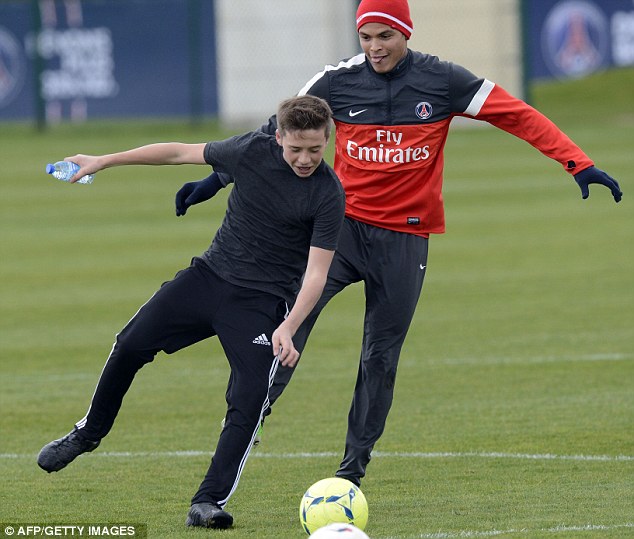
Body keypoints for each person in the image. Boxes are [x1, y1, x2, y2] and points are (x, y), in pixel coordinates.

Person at [174, 0, 623, 488]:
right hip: (339, 231)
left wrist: (577, 163)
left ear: (405, 33)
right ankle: (248, 424)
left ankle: (351, 472)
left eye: (384, 37)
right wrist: (215, 180)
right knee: (286, 328)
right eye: (365, 37)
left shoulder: (444, 81)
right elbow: (272, 137)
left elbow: (517, 115)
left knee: (380, 357)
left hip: (405, 238)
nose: (374, 48)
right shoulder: (334, 82)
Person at [37, 95, 346, 529]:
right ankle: (89, 432)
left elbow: (317, 273)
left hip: (260, 304)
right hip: (208, 278)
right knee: (129, 343)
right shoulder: (250, 151)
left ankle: (208, 501)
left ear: (327, 139)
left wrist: (289, 326)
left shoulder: (328, 194)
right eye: (296, 148)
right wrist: (104, 160)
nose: (305, 159)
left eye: (315, 149)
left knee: (250, 399)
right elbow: (179, 152)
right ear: (278, 137)